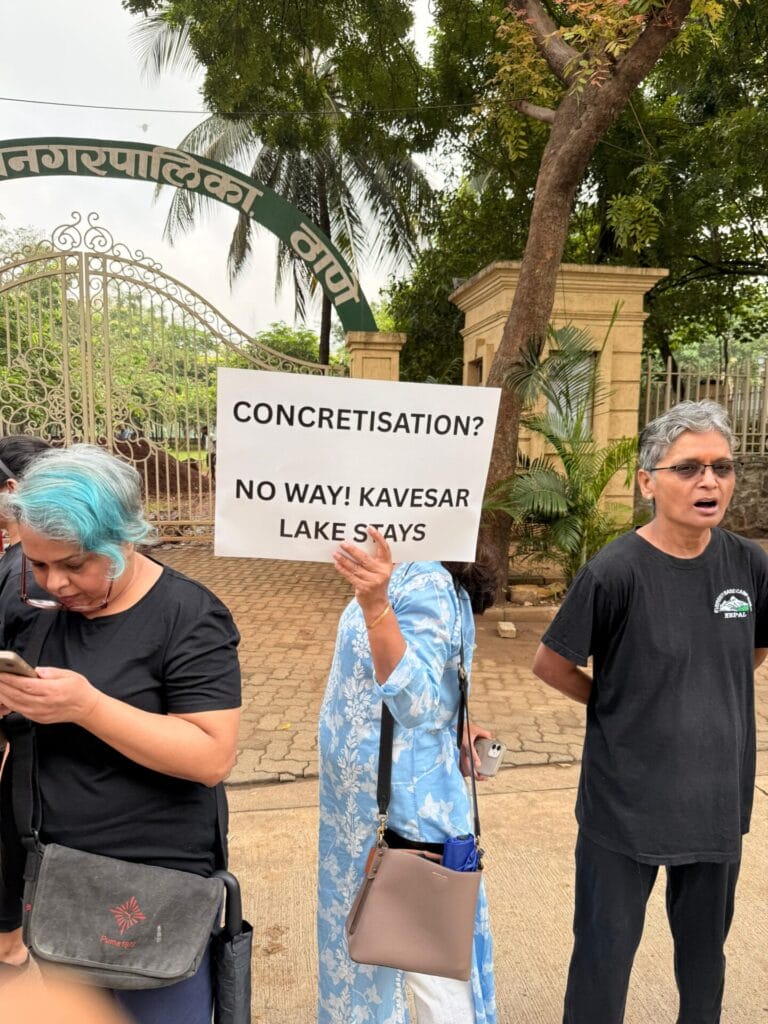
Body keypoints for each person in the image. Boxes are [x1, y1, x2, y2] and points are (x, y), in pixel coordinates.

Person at [532, 399, 768, 1024]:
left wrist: (695, 692)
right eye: (689, 468)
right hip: (624, 806)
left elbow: (752, 649)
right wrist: (615, 704)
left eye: (721, 467)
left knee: (704, 961)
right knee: (603, 962)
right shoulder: (615, 572)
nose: (709, 482)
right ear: (647, 481)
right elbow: (551, 663)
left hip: (715, 803)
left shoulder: (749, 565)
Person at [0, 444, 242, 1024]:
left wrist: (87, 707)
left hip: (152, 887)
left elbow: (211, 755)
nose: (54, 583)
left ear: (124, 539)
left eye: (76, 564)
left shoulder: (189, 616)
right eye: (38, 564)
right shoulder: (22, 592)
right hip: (53, 872)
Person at [317, 526, 497, 1024]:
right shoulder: (408, 571)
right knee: (393, 950)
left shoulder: (427, 582)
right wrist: (458, 718)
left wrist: (375, 604)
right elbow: (439, 679)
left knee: (428, 966)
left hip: (404, 810)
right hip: (370, 805)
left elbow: (414, 700)